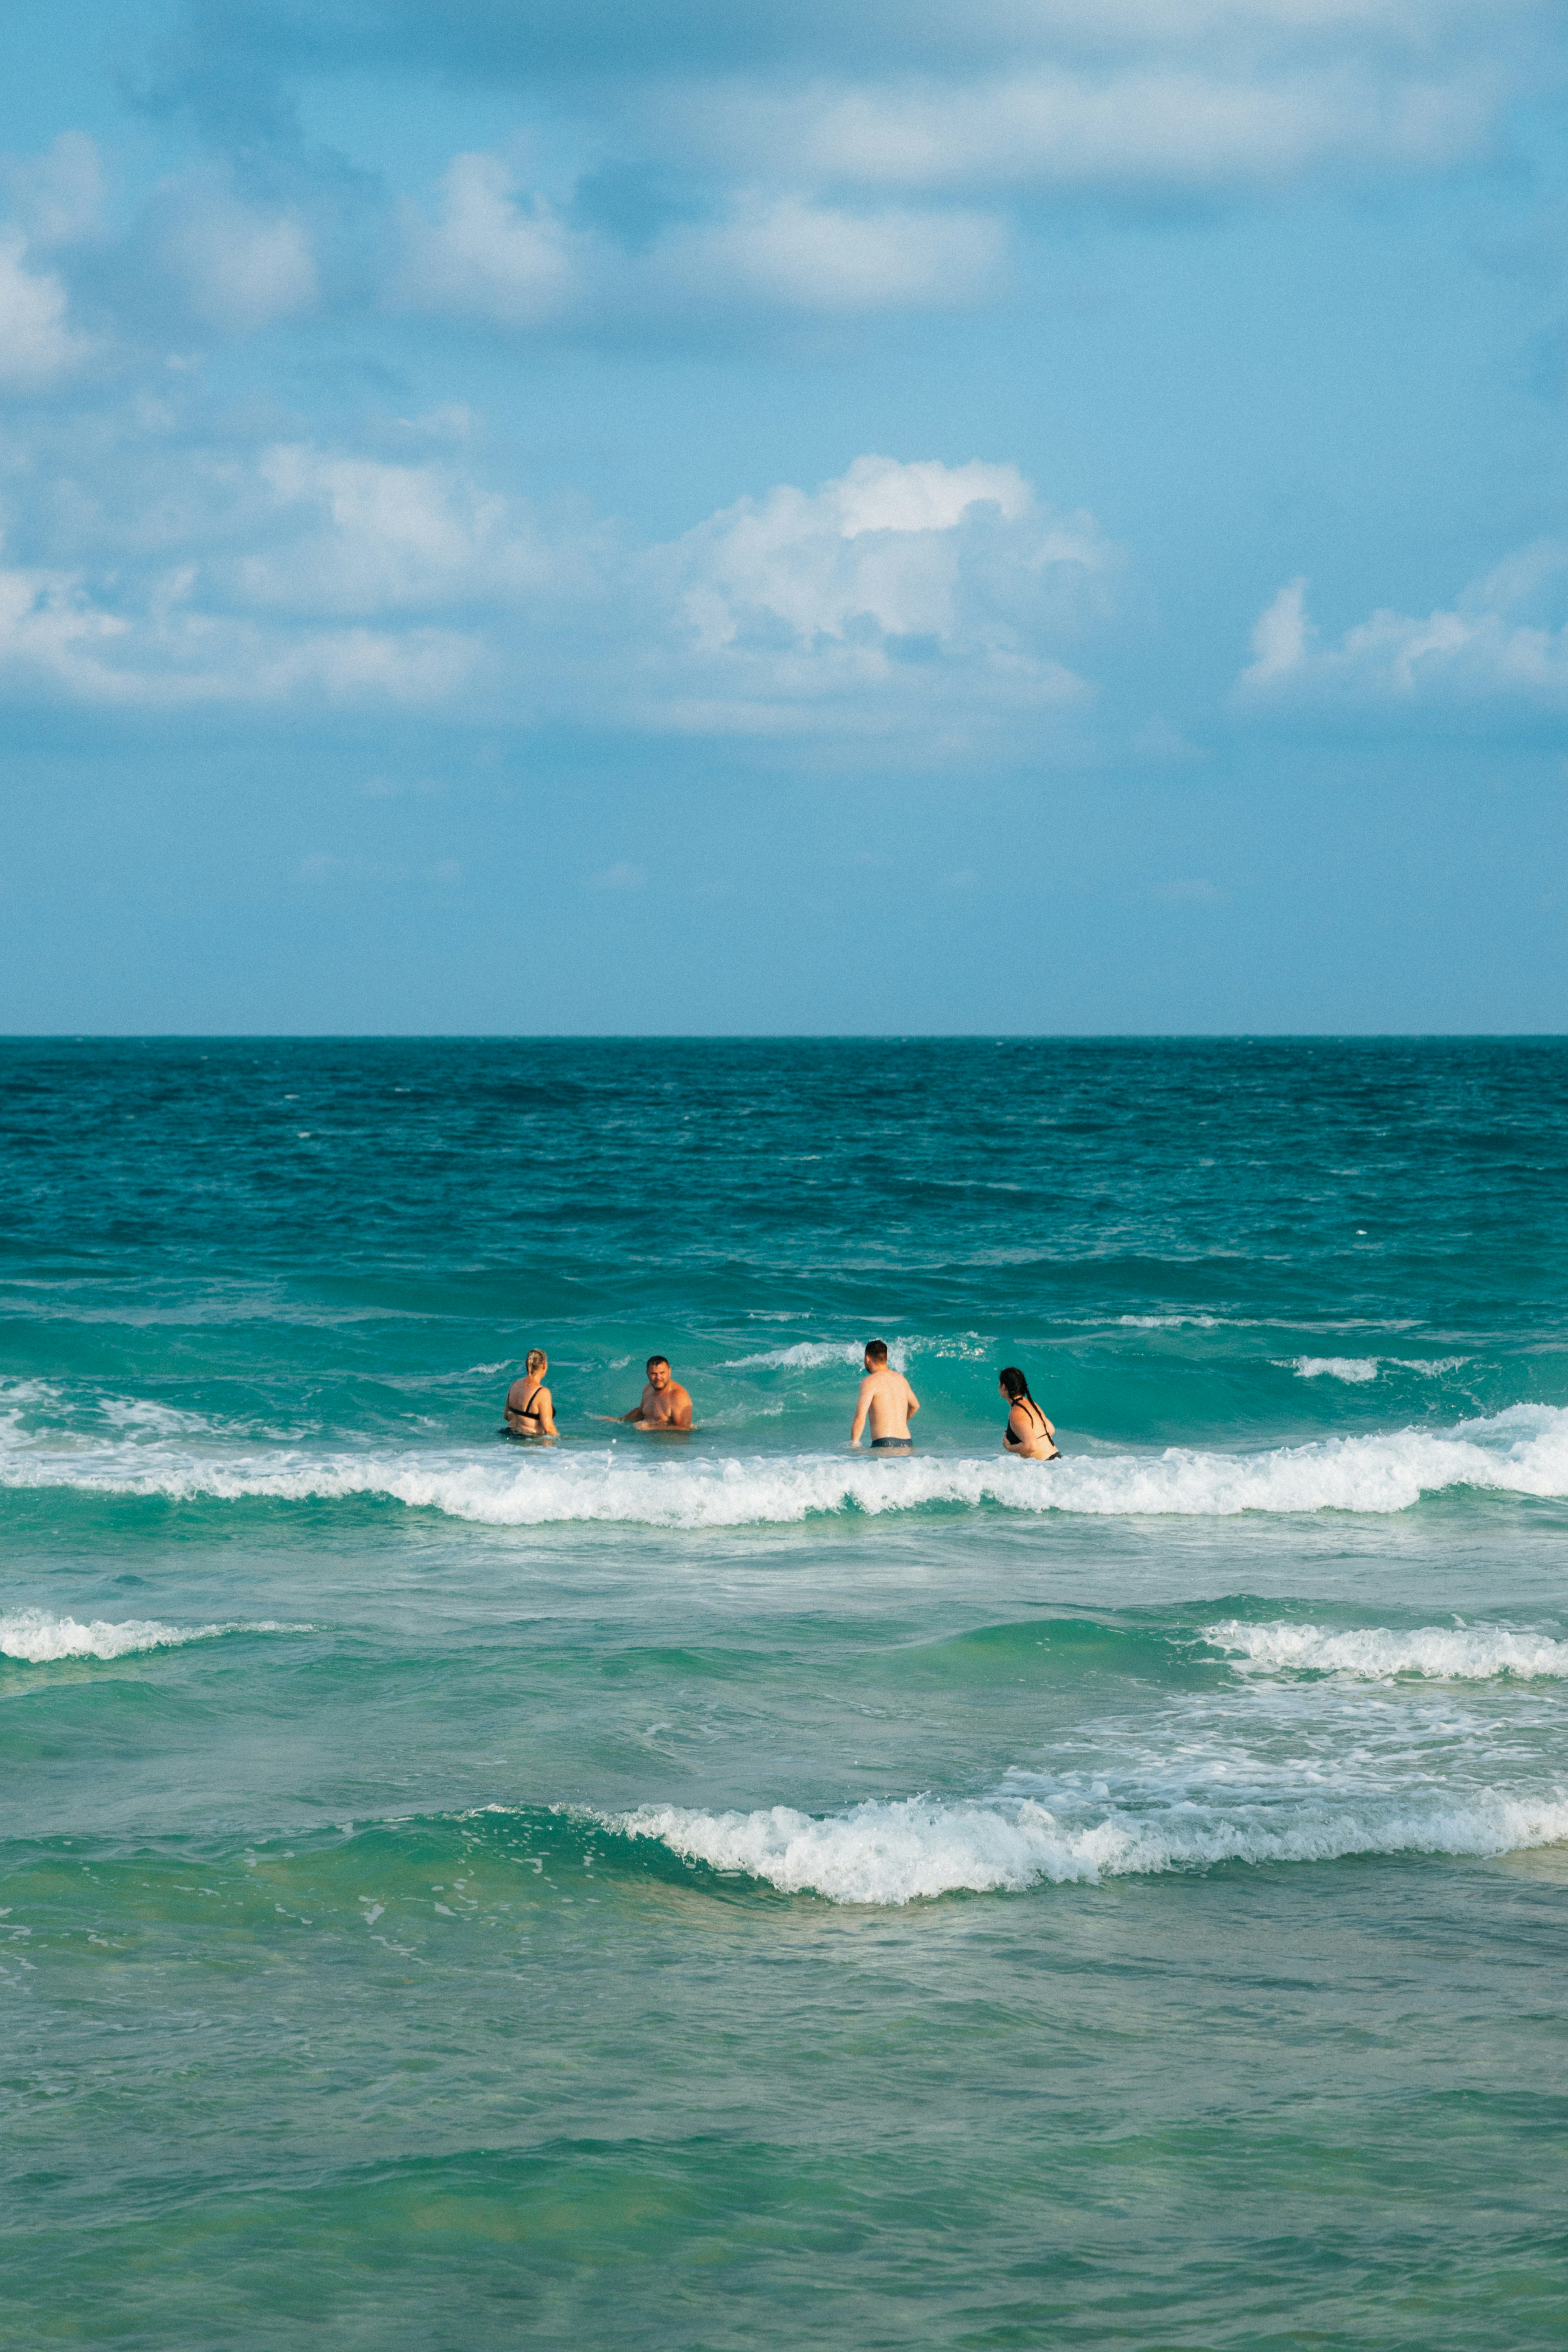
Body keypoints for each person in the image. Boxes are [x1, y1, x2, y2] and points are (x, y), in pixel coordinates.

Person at [850, 1340, 919, 1450]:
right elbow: (915, 1406)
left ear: (868, 1359)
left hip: (885, 1444)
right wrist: (900, 1422)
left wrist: (854, 1444)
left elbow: (860, 1416)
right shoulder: (901, 1379)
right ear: (886, 1358)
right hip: (907, 1444)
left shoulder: (869, 1382)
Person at [613, 1355, 693, 1430]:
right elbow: (640, 1413)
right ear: (648, 1374)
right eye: (654, 1374)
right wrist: (618, 1420)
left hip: (669, 1444)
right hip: (650, 1442)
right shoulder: (648, 1389)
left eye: (662, 1373)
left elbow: (685, 1429)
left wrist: (651, 1427)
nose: (658, 1378)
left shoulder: (678, 1396)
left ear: (669, 1372)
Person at [999, 1366, 1059, 1460]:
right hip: (1057, 1460)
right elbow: (1051, 1430)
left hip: (1045, 1465)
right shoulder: (1032, 1404)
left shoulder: (1016, 1412)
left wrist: (1009, 1447)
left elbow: (1031, 1446)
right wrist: (1020, 1431)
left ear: (1004, 1387)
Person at [504, 1350, 556, 1437]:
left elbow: (506, 1416)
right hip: (530, 1442)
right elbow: (549, 1429)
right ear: (544, 1365)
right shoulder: (542, 1393)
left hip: (509, 1437)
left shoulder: (514, 1385)